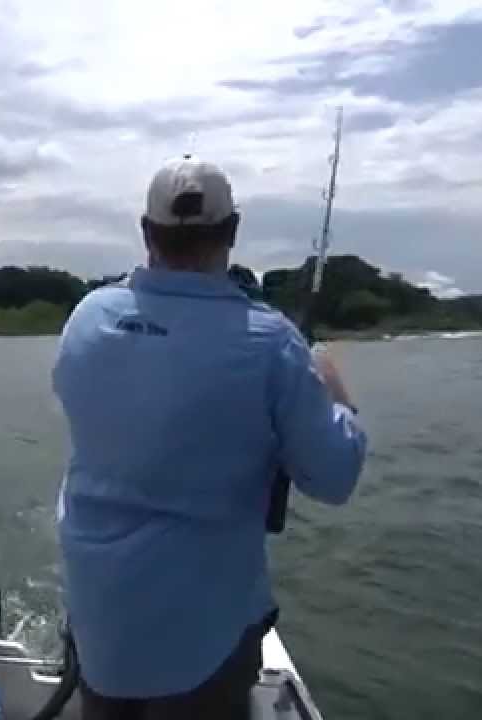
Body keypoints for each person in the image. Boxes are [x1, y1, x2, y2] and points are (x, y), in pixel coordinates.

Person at [52, 155, 368, 719]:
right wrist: (336, 393)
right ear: (233, 232)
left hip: (100, 624)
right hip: (201, 647)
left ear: (147, 233)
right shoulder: (272, 343)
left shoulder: (87, 318)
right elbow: (334, 476)